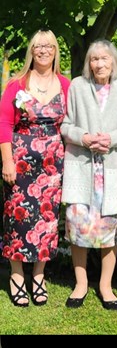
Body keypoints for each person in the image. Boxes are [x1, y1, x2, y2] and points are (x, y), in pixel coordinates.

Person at [0, 29, 70, 307]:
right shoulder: (17, 84)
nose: (43, 50)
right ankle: (16, 275)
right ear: (31, 51)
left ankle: (39, 275)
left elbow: (71, 123)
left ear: (55, 51)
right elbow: (4, 124)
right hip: (20, 161)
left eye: (48, 46)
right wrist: (6, 160)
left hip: (54, 165)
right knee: (17, 219)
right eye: (38, 46)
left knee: (47, 220)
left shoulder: (66, 84)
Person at [61, 39, 117, 310]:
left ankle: (105, 286)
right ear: (88, 63)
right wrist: (85, 137)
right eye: (94, 59)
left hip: (111, 168)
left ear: (113, 61)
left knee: (108, 229)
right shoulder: (78, 86)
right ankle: (80, 284)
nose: (99, 63)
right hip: (82, 166)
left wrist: (110, 139)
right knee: (78, 226)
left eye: (104, 58)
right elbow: (66, 126)